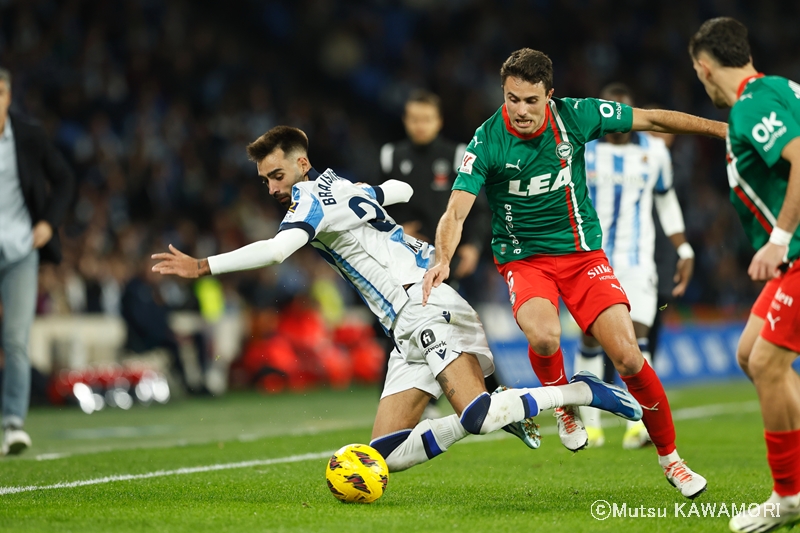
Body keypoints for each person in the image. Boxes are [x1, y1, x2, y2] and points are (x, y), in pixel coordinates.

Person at [151, 125, 644, 474]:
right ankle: (500, 405)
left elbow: (279, 250)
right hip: (405, 324)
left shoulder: (308, 198)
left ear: (301, 163)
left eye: (277, 175)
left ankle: (581, 391)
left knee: (475, 416)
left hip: (422, 303)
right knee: (380, 456)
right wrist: (387, 210)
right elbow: (399, 187)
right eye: (265, 180)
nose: (272, 187)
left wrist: (202, 265)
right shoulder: (340, 184)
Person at [422, 48, 727, 498]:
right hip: (525, 260)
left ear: (550, 95)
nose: (520, 111)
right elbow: (455, 211)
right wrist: (442, 257)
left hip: (583, 256)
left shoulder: (577, 116)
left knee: (628, 357)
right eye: (512, 99)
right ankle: (563, 405)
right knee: (544, 338)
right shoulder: (486, 140)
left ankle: (672, 461)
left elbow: (654, 120)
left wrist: (723, 128)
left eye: (531, 100)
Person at [690, 17, 800, 531]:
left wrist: (779, 238)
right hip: (791, 255)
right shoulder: (778, 88)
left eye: (698, 73)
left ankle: (789, 494)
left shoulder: (751, 106)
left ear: (705, 66)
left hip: (797, 250)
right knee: (749, 355)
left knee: (768, 362)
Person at [574, 83, 694, 450]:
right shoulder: (584, 150)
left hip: (638, 260)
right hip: (591, 260)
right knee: (590, 339)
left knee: (637, 338)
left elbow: (665, 199)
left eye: (622, 113)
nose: (617, 122)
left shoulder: (655, 151)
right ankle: (592, 427)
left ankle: (639, 425)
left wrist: (684, 248)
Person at [378, 90, 494, 416]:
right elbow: (375, 207)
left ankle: (486, 391)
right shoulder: (390, 156)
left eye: (426, 119)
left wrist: (472, 246)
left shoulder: (458, 155)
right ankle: (416, 398)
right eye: (414, 119)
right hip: (404, 259)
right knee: (404, 326)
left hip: (448, 258)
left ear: (438, 121)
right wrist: (397, 229)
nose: (420, 125)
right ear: (405, 121)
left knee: (456, 325)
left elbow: (479, 209)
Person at [0, 67, 75, 455]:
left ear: (8, 97)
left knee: (15, 339)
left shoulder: (28, 136)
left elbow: (64, 178)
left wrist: (48, 222)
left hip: (19, 251)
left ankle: (13, 423)